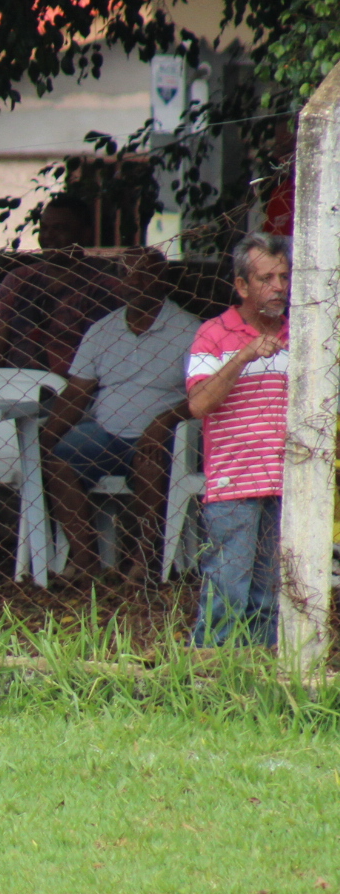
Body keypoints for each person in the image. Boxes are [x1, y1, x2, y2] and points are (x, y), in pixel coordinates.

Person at [40, 247, 193, 585]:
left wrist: (162, 422)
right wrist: (44, 438)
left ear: (162, 279)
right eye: (127, 274)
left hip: (162, 438)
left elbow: (203, 396)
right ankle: (85, 563)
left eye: (144, 273)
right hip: (105, 433)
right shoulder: (102, 330)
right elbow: (78, 392)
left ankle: (144, 560)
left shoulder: (189, 330)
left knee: (148, 457)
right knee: (58, 460)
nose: (135, 282)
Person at [187, 233, 290, 647]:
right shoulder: (213, 335)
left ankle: (259, 677)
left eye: (284, 276)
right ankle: (208, 677)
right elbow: (199, 404)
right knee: (227, 587)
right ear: (242, 285)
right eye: (266, 278)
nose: (279, 287)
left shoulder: (304, 332)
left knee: (269, 595)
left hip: (288, 480)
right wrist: (244, 355)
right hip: (235, 482)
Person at [0, 193, 121, 377]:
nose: (48, 236)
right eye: (44, 228)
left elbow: (101, 360)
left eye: (59, 228)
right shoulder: (19, 280)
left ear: (85, 234)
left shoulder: (104, 286)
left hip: (74, 392)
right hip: (12, 387)